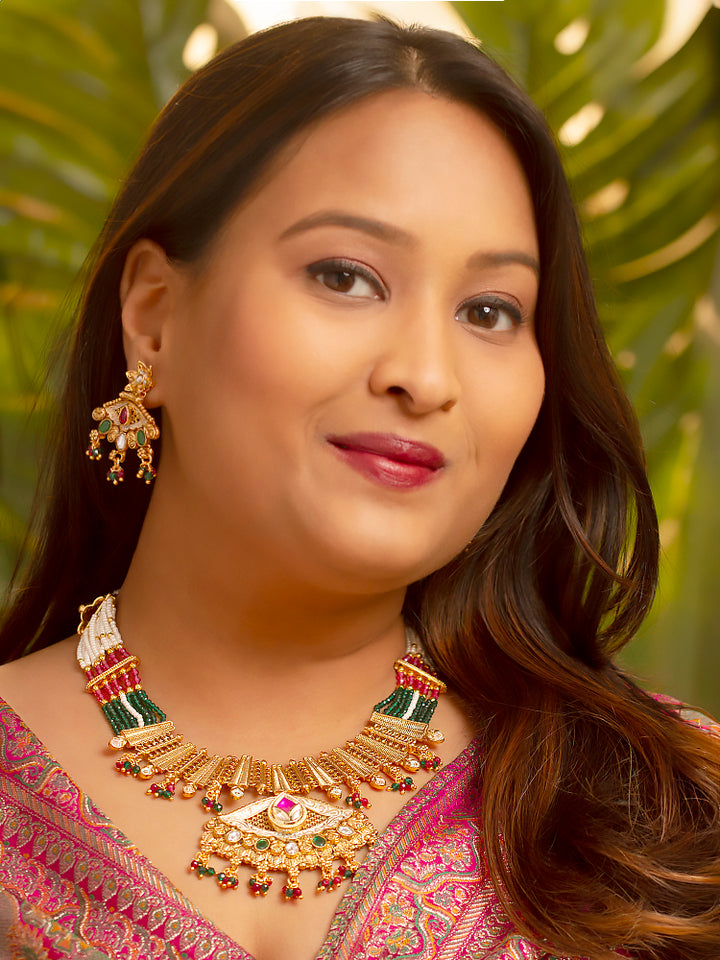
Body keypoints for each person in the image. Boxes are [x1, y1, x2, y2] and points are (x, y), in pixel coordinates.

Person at [0, 15, 718, 960]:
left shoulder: (672, 814)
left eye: (490, 310)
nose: (425, 374)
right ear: (155, 319)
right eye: (345, 276)